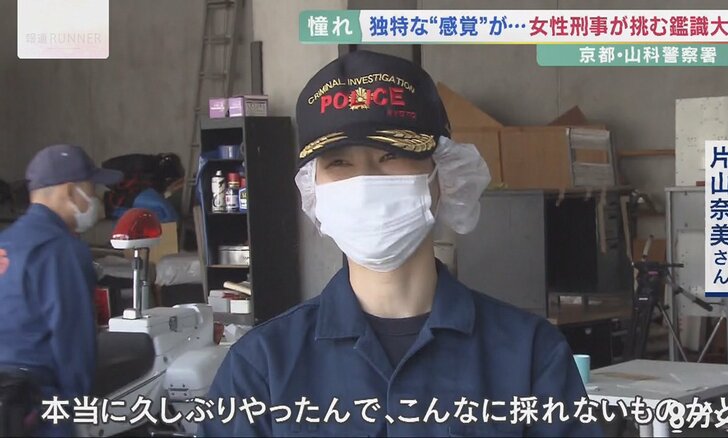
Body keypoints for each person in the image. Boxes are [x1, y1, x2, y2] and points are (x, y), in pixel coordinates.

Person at [199, 51, 603, 437]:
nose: (365, 181)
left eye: (391, 155)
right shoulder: (261, 368)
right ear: (313, 188)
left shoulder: (529, 356)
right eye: (339, 162)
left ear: (443, 175)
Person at [0, 144, 122, 436]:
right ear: (70, 191)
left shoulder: (7, 242)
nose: (95, 198)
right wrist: (75, 409)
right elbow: (73, 341)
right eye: (91, 189)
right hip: (35, 406)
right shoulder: (61, 249)